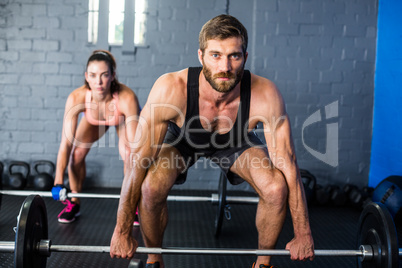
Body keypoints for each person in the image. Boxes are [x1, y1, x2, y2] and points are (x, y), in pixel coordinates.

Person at [110, 15, 314, 268]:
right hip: (182, 141)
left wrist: (303, 234)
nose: (225, 66)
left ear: (245, 58)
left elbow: (288, 163)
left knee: (275, 188)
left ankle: (263, 263)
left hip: (235, 141)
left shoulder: (266, 94)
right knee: (151, 187)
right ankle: (154, 259)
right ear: (201, 56)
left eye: (234, 56)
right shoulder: (171, 88)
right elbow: (137, 161)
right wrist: (122, 230)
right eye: (215, 55)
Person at [53, 50, 140, 224]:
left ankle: (133, 205)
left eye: (104, 75)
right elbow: (66, 143)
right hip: (93, 120)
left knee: (130, 155)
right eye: (92, 75)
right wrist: (58, 181)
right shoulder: (76, 97)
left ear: (113, 75)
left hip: (120, 118)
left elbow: (137, 148)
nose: (98, 82)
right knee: (75, 155)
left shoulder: (127, 97)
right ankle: (74, 202)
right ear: (86, 76)